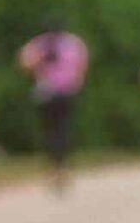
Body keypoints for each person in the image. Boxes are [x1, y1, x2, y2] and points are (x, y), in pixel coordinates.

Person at [18, 19, 89, 171]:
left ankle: (54, 160)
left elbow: (25, 62)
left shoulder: (39, 43)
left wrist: (35, 72)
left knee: (50, 128)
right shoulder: (73, 43)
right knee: (64, 126)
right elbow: (83, 65)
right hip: (68, 90)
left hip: (46, 91)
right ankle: (63, 158)